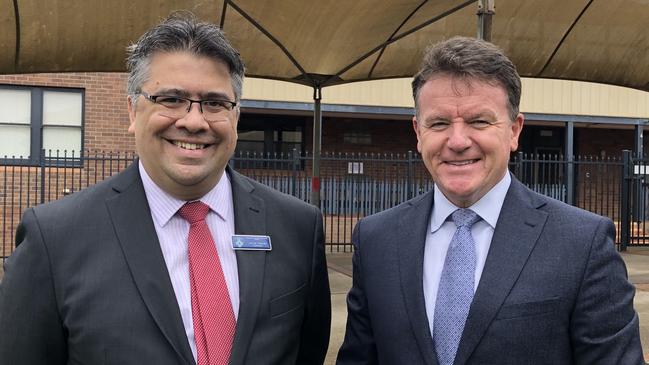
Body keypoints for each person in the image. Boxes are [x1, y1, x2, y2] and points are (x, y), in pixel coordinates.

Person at [0, 13, 330, 365]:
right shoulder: (55, 238)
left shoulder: (297, 227)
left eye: (215, 103)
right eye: (171, 99)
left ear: (235, 117)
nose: (193, 121)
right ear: (132, 110)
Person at [336, 36, 643, 364]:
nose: (457, 141)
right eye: (439, 123)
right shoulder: (376, 240)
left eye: (478, 121)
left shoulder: (582, 243)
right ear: (418, 132)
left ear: (514, 131)